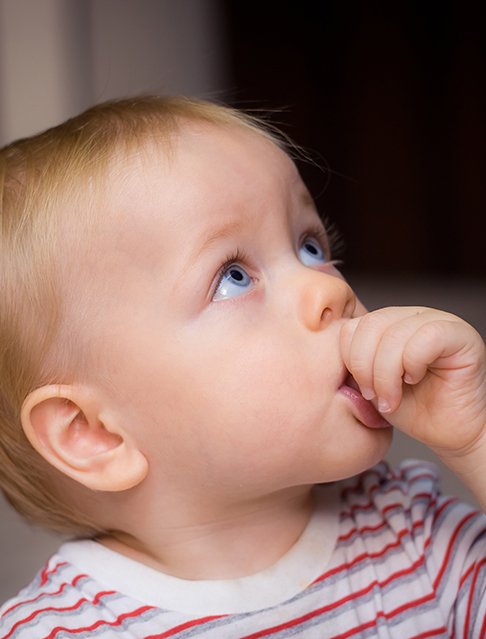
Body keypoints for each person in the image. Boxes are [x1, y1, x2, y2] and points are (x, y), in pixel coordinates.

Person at [0, 95, 484, 639]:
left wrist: (475, 440)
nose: (329, 287)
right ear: (94, 434)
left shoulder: (412, 532)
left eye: (309, 245)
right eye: (233, 275)